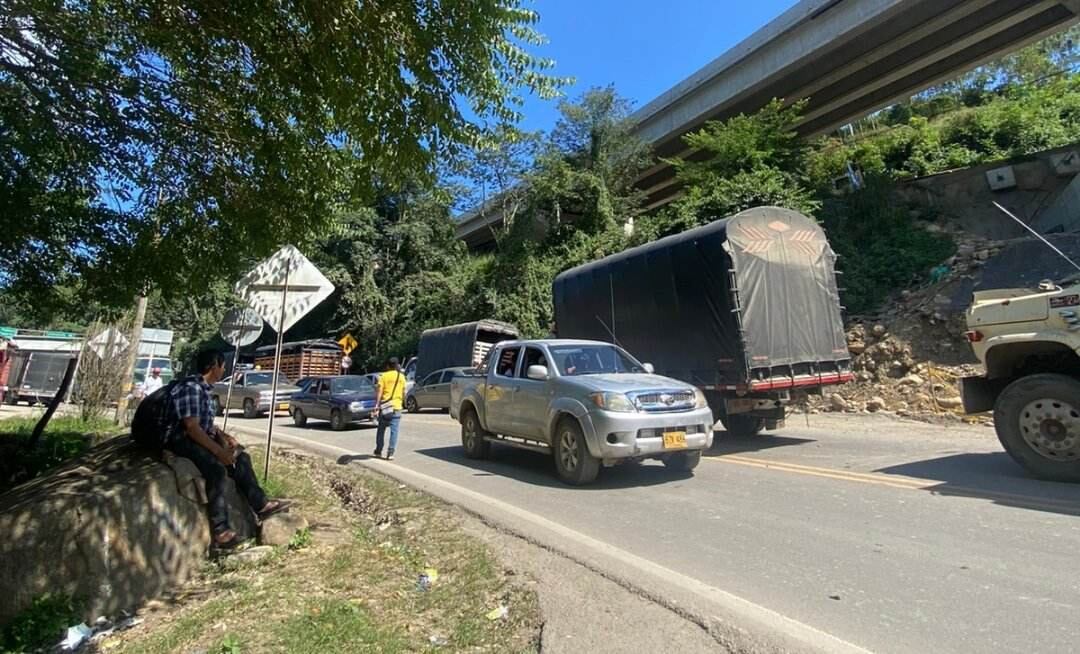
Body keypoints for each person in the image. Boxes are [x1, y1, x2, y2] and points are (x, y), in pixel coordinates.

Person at [164, 349, 287, 548]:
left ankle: (261, 505)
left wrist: (224, 437)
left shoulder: (204, 388)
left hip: (197, 436)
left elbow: (205, 424)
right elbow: (192, 428)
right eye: (222, 366)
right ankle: (220, 531)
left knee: (242, 458)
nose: (223, 370)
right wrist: (218, 452)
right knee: (216, 470)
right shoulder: (191, 388)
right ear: (214, 366)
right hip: (180, 439)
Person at [373, 357, 406, 460]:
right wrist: (402, 402)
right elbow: (404, 392)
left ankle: (378, 450)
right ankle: (390, 453)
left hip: (386, 407)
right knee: (394, 431)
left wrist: (377, 405)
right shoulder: (401, 377)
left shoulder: (383, 376)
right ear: (397, 365)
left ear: (388, 366)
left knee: (381, 429)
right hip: (397, 406)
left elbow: (380, 392)